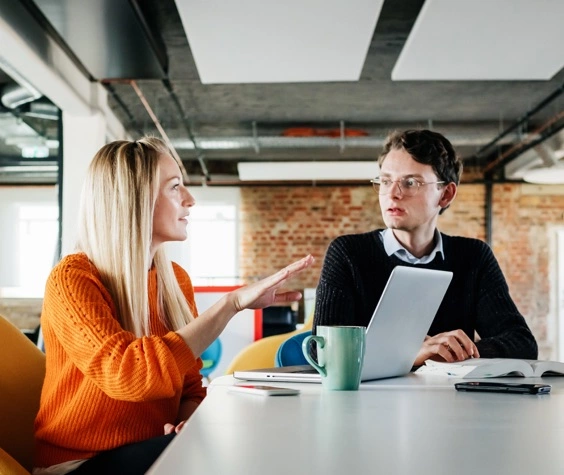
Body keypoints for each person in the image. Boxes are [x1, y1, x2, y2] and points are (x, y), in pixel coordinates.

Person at [33, 137, 314, 475]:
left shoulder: (173, 280)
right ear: (132, 201)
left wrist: (185, 422)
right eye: (174, 187)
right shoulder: (71, 280)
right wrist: (231, 304)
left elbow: (190, 387)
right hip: (78, 464)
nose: (190, 200)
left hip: (152, 451)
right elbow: (129, 376)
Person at [314, 129, 537, 367]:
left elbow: (522, 343)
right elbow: (324, 352)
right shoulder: (348, 253)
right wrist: (413, 355)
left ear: (445, 194)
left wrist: (451, 353)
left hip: (451, 400)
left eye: (410, 183)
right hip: (368, 401)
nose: (392, 193)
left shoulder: (473, 257)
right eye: (386, 181)